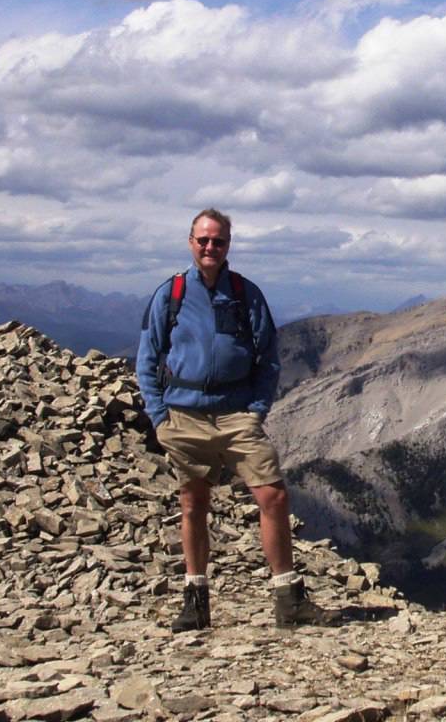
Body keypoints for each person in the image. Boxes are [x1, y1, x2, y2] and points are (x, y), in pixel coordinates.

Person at [136, 208, 336, 632]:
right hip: (183, 413)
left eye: (219, 241)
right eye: (203, 240)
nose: (210, 247)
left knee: (273, 495)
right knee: (193, 504)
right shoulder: (171, 293)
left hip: (236, 414)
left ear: (228, 245)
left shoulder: (245, 293)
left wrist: (256, 410)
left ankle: (288, 600)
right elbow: (147, 357)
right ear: (191, 242)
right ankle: (196, 603)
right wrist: (159, 417)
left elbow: (268, 358)